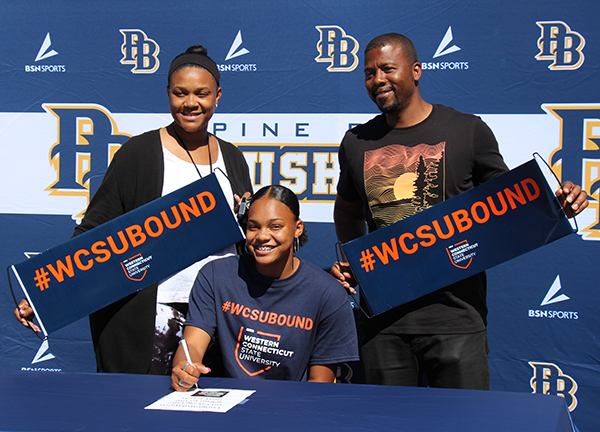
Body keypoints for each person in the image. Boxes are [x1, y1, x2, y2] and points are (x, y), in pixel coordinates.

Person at [330, 33, 588, 390]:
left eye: (388, 69)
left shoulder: (468, 131)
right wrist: (362, 263)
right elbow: (346, 211)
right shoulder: (356, 143)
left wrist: (559, 200)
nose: (378, 80)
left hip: (456, 318)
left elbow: (513, 203)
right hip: (383, 323)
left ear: (416, 70)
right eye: (369, 73)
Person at [14, 45, 253, 375]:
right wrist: (48, 294)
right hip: (155, 311)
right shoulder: (139, 153)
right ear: (168, 93)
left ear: (218, 95)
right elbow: (95, 228)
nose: (190, 103)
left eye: (202, 93)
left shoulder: (233, 157)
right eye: (180, 93)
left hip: (219, 313)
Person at [172, 185, 359, 389]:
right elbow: (192, 345)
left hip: (290, 412)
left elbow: (319, 386)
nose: (262, 236)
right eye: (253, 226)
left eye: (275, 226)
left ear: (297, 228)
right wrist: (184, 367)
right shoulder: (215, 276)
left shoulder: (327, 294)